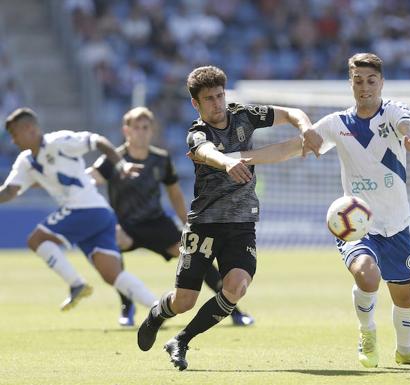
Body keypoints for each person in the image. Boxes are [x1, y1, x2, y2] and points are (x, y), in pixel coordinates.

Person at [217, 53, 410, 368]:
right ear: (350, 83)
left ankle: (406, 351)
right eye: (358, 80)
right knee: (367, 276)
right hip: (356, 223)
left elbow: (408, 126)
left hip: (397, 224)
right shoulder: (337, 124)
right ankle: (367, 334)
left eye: (371, 80)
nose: (364, 87)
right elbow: (290, 148)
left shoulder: (393, 111)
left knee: (404, 296)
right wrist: (239, 156)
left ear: (381, 82)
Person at [136, 65, 322, 371]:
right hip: (205, 224)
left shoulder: (244, 115)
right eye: (208, 98)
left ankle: (181, 340)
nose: (217, 103)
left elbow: (292, 113)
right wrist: (228, 163)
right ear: (196, 104)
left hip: (241, 224)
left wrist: (306, 129)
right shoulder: (197, 134)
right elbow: (209, 152)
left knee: (236, 287)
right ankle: (158, 313)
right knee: (184, 300)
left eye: (220, 95)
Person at [88, 106, 255, 327]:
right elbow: (88, 182)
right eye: (135, 127)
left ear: (151, 131)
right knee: (112, 241)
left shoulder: (161, 159)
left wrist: (188, 223)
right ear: (126, 131)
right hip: (125, 225)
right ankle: (127, 307)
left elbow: (174, 193)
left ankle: (233, 310)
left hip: (157, 223)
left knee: (197, 255)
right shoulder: (114, 159)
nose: (141, 132)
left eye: (145, 127)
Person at [0, 107, 157, 313]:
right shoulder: (25, 162)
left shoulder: (59, 142)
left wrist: (121, 165)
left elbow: (97, 141)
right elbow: (10, 191)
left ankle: (76, 284)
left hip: (86, 208)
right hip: (99, 214)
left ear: (29, 129)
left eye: (14, 134)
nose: (13, 140)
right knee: (112, 274)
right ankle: (158, 307)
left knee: (36, 240)